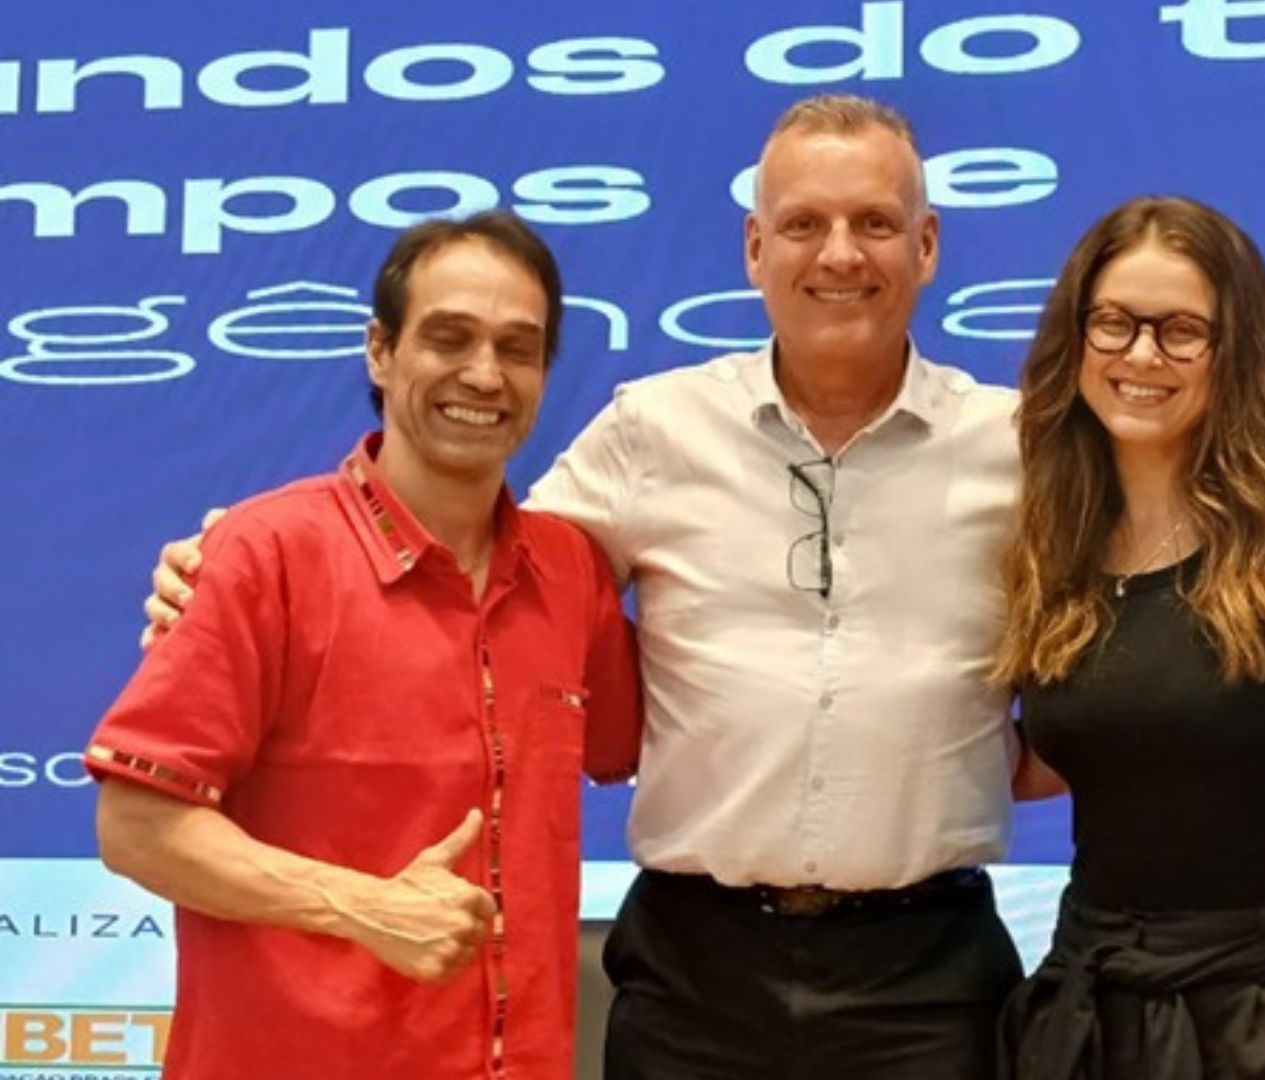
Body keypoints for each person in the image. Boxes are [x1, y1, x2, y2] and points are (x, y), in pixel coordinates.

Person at [144, 95, 1025, 1079]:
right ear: (754, 248)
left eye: (875, 223)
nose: (840, 254)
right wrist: (233, 559)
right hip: (697, 976)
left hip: (929, 977)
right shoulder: (654, 429)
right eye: (803, 224)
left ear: (927, 244)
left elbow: (1124, 645)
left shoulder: (1022, 449)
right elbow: (468, 548)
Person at [89, 210, 643, 1079]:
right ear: (380, 352)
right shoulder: (264, 553)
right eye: (448, 338)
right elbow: (135, 824)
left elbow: (645, 735)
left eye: (518, 348)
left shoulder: (570, 573)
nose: (485, 374)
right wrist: (362, 905)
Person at [995, 196, 1265, 1079]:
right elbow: (1063, 756)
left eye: (1181, 331)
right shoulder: (1043, 539)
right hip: (1091, 1005)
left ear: (1237, 349)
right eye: (1114, 323)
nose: (1141, 356)